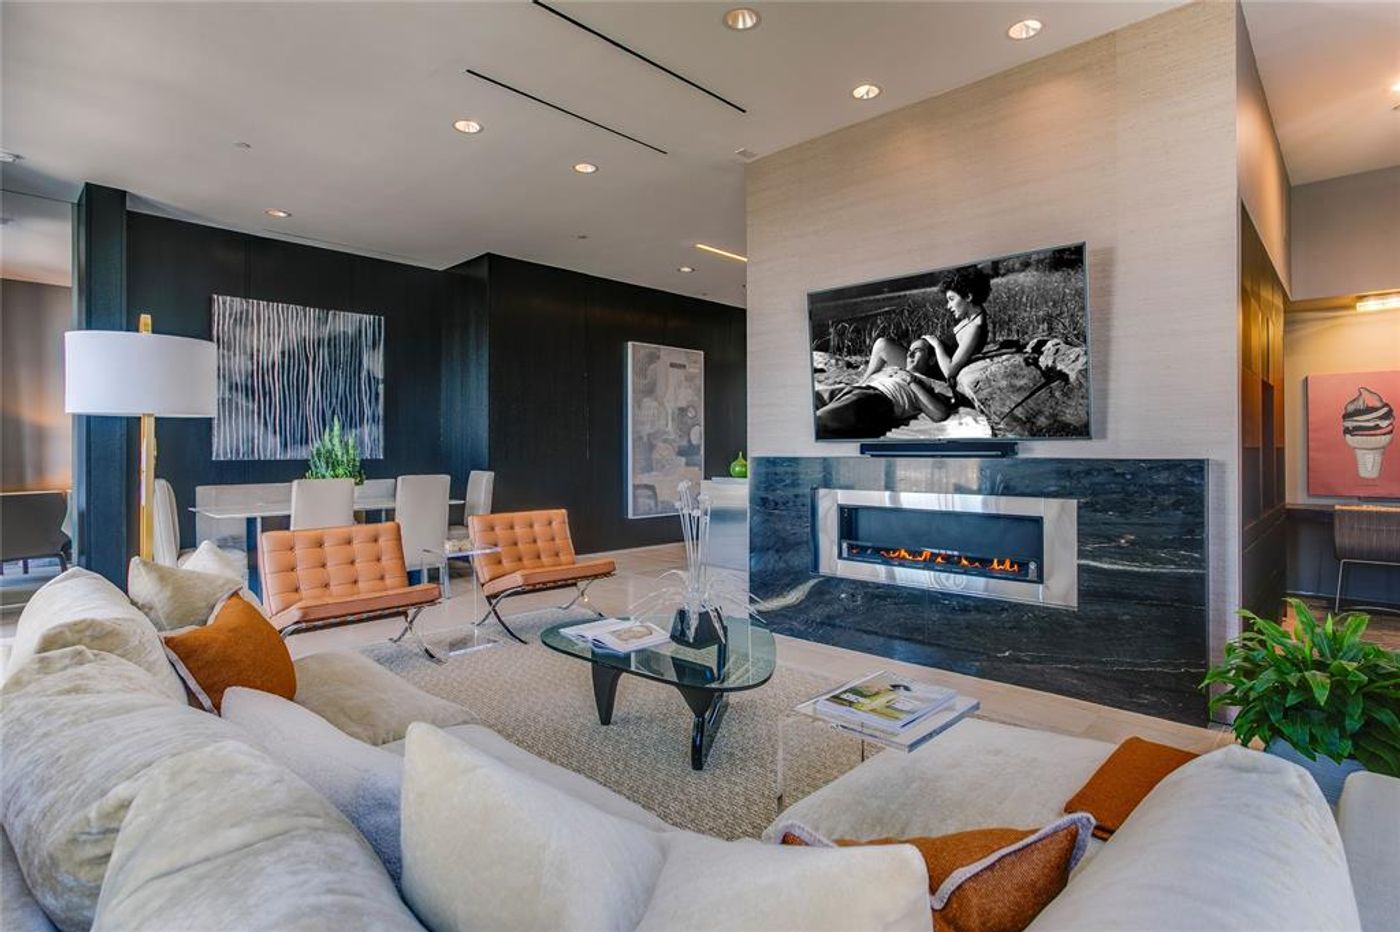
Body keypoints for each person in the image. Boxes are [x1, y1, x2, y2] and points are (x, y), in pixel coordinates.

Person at [859, 265, 991, 386]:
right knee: (882, 345)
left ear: (968, 297)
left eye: (951, 299)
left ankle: (861, 385)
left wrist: (936, 344)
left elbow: (949, 371)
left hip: (929, 370)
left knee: (882, 345)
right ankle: (862, 384)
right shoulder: (971, 319)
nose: (948, 306)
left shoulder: (975, 328)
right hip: (925, 361)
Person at [815, 339, 953, 438]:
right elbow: (883, 345)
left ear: (932, 360)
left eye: (917, 351)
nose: (909, 355)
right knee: (809, 402)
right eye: (909, 351)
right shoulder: (897, 369)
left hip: (876, 399)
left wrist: (910, 380)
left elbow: (939, 414)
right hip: (855, 389)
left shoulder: (932, 383)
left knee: (818, 422)